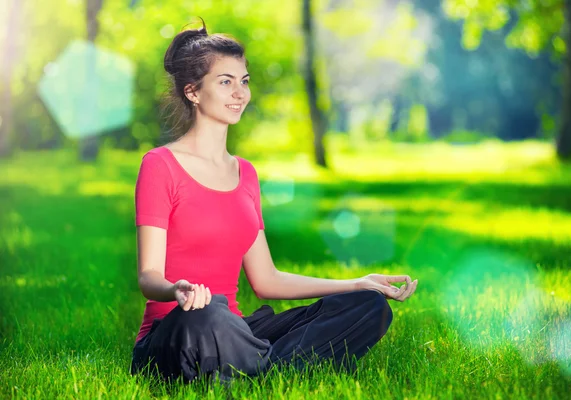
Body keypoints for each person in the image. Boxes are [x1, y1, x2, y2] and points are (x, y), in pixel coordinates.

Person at [130, 18, 418, 384]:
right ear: (193, 92)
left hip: (236, 330)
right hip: (176, 334)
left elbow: (266, 279)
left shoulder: (245, 174)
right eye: (226, 82)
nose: (240, 93)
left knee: (369, 308)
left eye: (244, 81)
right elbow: (148, 276)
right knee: (211, 312)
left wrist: (357, 283)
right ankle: (270, 367)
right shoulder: (160, 165)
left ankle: (251, 368)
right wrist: (176, 289)